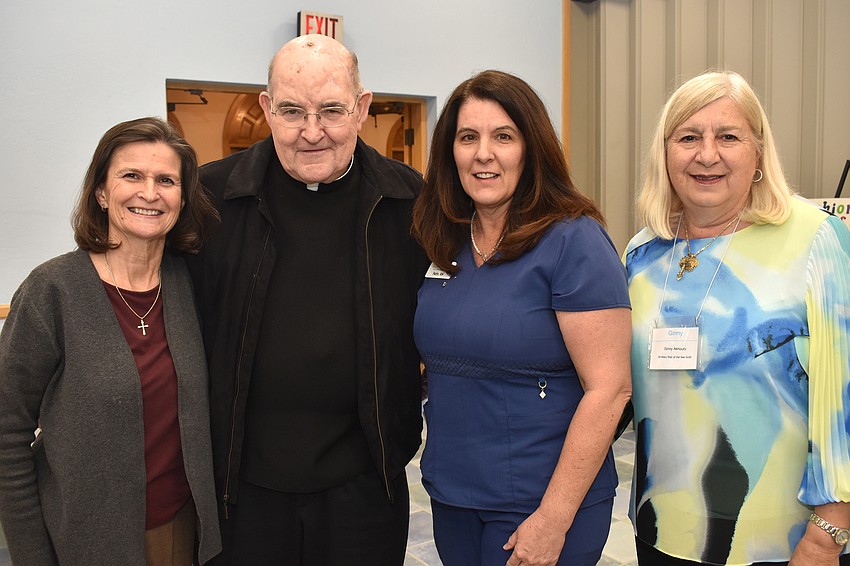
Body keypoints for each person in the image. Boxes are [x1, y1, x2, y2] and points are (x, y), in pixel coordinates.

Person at [183, 34, 428, 565]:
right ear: (267, 110)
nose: (311, 132)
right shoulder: (209, 200)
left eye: (331, 111)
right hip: (240, 491)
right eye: (292, 111)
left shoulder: (410, 203)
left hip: (364, 488)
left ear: (362, 109)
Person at [625, 70, 850, 565]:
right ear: (665, 154)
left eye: (728, 136)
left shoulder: (818, 240)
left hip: (781, 540)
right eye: (688, 137)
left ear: (758, 151)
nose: (707, 155)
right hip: (659, 527)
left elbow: (845, 402)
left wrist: (828, 533)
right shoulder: (642, 253)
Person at [411, 70, 633, 566]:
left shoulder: (574, 242)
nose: (483, 153)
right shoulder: (444, 240)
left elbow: (611, 389)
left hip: (540, 504)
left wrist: (553, 518)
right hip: (453, 497)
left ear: (532, 148)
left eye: (503, 137)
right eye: (468, 138)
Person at [0, 117, 221, 565]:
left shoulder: (190, 283)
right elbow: (7, 434)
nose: (150, 192)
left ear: (182, 197)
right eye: (131, 176)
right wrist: (31, 554)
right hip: (85, 542)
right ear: (101, 192)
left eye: (166, 180)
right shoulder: (52, 291)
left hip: (184, 532)